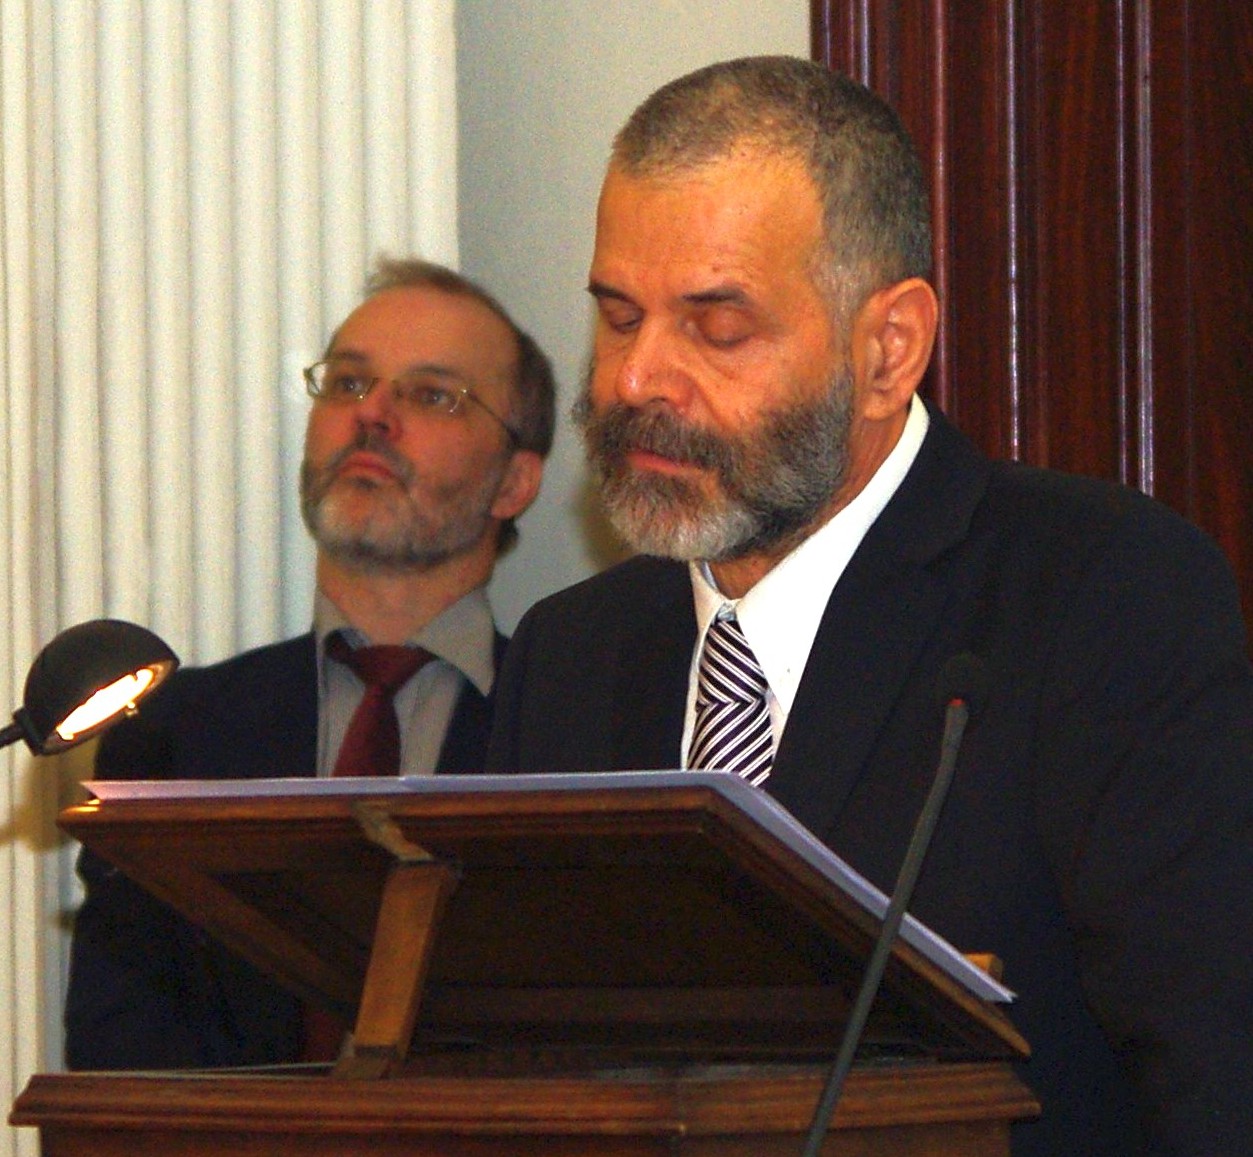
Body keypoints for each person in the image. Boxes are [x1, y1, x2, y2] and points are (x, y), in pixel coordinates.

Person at [485, 57, 1253, 1156]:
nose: (635, 379)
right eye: (617, 316)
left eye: (715, 327)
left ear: (887, 349)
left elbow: (1211, 1080)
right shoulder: (570, 653)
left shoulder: (1097, 595)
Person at [65, 256, 556, 1070]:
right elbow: (116, 1070)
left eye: (431, 394)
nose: (373, 416)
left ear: (514, 481)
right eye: (349, 383)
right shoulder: (170, 734)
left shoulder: (573, 733)